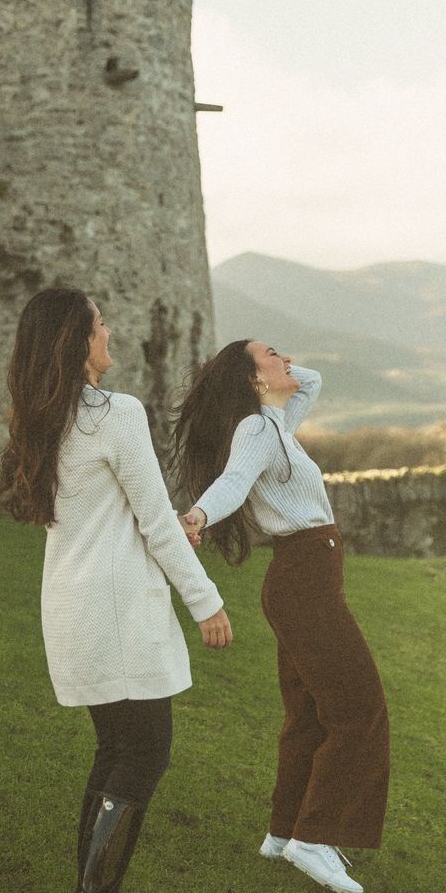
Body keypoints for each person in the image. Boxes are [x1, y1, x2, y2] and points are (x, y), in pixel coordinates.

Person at [0, 287, 232, 893]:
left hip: (74, 606)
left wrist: (161, 529)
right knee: (145, 756)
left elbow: (115, 515)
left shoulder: (43, 421)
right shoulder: (114, 413)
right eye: (100, 325)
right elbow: (153, 519)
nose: (109, 333)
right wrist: (207, 602)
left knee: (115, 754)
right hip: (118, 611)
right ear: (77, 342)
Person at [172, 340, 389, 893]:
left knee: (309, 714)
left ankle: (283, 831)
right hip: (304, 580)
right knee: (357, 707)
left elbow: (310, 382)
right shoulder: (256, 431)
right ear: (251, 380)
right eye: (273, 353)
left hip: (308, 577)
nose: (288, 358)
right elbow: (233, 482)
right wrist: (198, 513)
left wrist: (276, 373)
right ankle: (313, 839)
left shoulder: (275, 423)